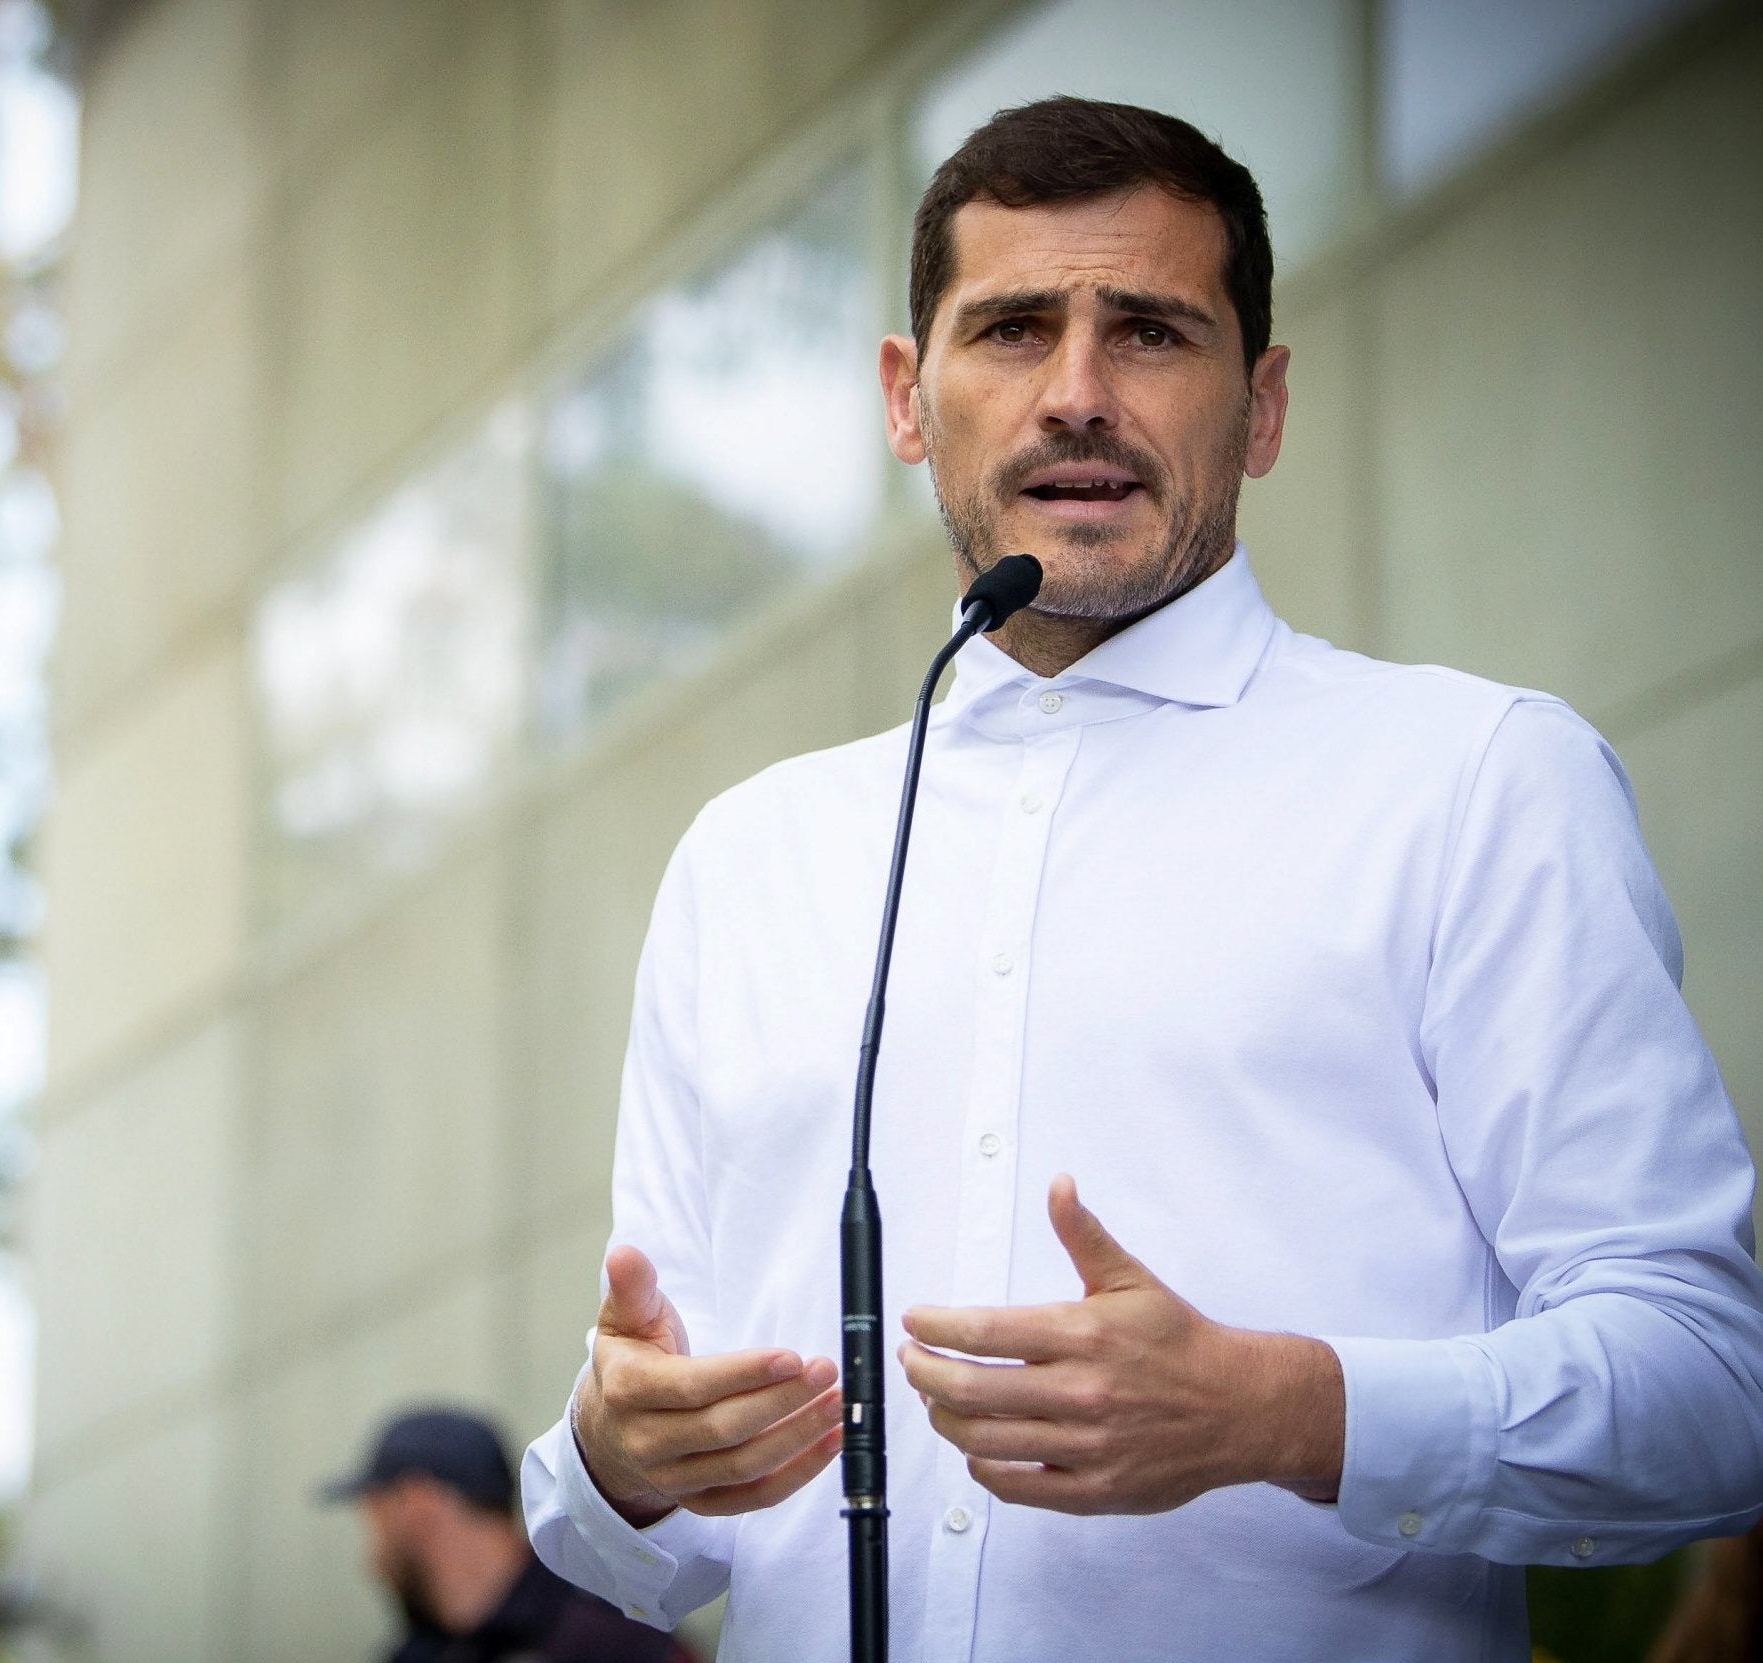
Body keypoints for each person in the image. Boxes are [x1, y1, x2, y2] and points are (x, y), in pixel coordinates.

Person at [519, 95, 1763, 1661]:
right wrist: (614, 1459)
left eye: (1154, 333)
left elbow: (1710, 1389)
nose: (1077, 395)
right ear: (909, 398)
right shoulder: (746, 860)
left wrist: (1284, 1408)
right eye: (1013, 328)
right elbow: (643, 1533)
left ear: (1261, 405)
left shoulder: (1476, 782)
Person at [325, 1406, 697, 1663]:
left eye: (374, 1513)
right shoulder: (424, 1651)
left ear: (417, 1502)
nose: (372, 1555)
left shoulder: (613, 1640)